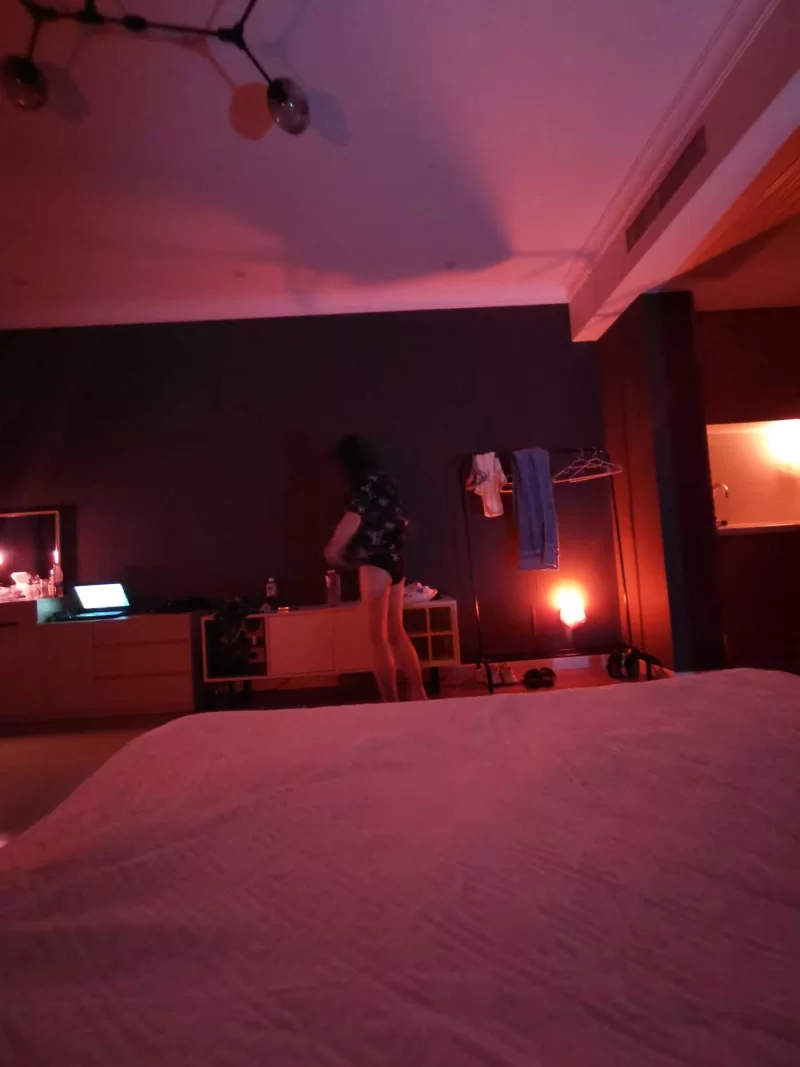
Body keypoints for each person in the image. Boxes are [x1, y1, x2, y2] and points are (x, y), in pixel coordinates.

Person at [325, 435, 427, 703]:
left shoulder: (364, 486)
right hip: (396, 561)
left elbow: (352, 518)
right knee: (396, 632)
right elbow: (398, 518)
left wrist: (333, 548)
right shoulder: (385, 481)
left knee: (377, 637)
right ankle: (419, 694)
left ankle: (390, 702)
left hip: (376, 563)